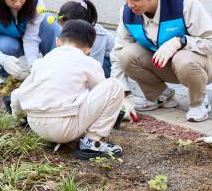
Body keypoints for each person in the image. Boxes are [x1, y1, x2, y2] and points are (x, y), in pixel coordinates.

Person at [110, 0, 212, 122]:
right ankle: (161, 96)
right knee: (125, 54)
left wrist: (180, 41)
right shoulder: (127, 12)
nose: (130, 4)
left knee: (182, 59)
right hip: (165, 64)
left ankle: (199, 101)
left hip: (203, 64)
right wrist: (121, 94)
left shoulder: (185, 3)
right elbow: (118, 51)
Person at [10, 19, 127, 157]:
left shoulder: (41, 62)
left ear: (57, 41)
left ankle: (22, 121)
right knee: (114, 86)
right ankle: (93, 142)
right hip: (64, 129)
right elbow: (101, 92)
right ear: (89, 49)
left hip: (35, 125)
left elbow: (18, 95)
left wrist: (20, 117)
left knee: (23, 90)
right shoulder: (89, 62)